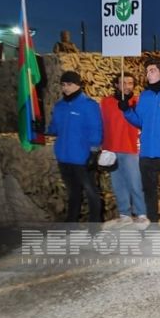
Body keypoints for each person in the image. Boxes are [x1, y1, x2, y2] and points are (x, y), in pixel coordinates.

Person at [120, 58, 160, 225]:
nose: (148, 74)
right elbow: (139, 121)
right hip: (147, 151)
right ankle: (152, 223)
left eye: (152, 71)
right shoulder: (144, 96)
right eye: (147, 72)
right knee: (149, 190)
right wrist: (127, 111)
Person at [48, 71, 103, 222]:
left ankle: (95, 225)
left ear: (78, 85)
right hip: (64, 157)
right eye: (63, 85)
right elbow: (55, 128)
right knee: (73, 192)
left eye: (69, 84)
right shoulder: (60, 106)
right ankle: (71, 221)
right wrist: (42, 128)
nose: (66, 88)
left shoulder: (88, 105)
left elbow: (95, 129)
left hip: (82, 157)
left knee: (91, 192)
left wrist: (93, 152)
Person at [100, 72, 148, 228]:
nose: (127, 86)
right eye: (123, 83)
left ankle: (141, 213)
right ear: (116, 85)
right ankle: (124, 214)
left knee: (135, 183)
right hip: (112, 149)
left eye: (130, 83)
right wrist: (103, 147)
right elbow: (103, 124)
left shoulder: (137, 102)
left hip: (130, 148)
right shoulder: (106, 102)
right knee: (118, 184)